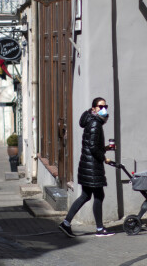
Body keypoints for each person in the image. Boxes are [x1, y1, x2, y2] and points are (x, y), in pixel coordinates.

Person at [58, 97, 115, 238]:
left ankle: (66, 223)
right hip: (92, 166)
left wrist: (106, 147)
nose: (104, 109)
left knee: (85, 196)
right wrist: (104, 158)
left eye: (105, 106)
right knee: (98, 196)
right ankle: (100, 229)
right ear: (94, 108)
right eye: (100, 106)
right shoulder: (95, 124)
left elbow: (93, 145)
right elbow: (93, 148)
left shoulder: (91, 121)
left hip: (87, 165)